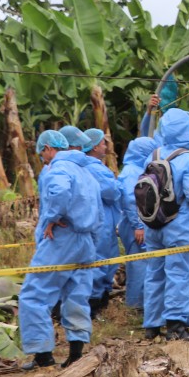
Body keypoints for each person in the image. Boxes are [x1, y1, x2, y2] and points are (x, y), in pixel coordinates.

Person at [18, 130, 102, 370]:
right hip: (85, 240)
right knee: (76, 294)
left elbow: (61, 192)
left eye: (42, 154)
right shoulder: (86, 171)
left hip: (61, 239)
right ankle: (76, 354)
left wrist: (53, 217)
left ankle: (42, 356)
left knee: (34, 294)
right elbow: (100, 213)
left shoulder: (59, 169)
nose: (43, 160)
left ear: (48, 148)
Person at [141, 108, 189, 341]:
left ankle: (152, 325)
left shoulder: (153, 155)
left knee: (154, 272)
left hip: (153, 224)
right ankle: (175, 325)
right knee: (179, 272)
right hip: (179, 225)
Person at [82, 128, 122, 316]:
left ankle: (100, 298)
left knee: (106, 260)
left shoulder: (89, 166)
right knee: (101, 261)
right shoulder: (95, 168)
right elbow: (112, 192)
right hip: (102, 221)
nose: (106, 146)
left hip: (102, 220)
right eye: (103, 143)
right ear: (95, 146)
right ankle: (95, 303)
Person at [116, 137, 157, 309]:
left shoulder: (139, 168)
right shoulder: (132, 171)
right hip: (136, 225)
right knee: (139, 266)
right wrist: (138, 226)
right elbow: (131, 200)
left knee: (143, 264)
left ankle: (141, 302)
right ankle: (136, 304)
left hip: (140, 222)